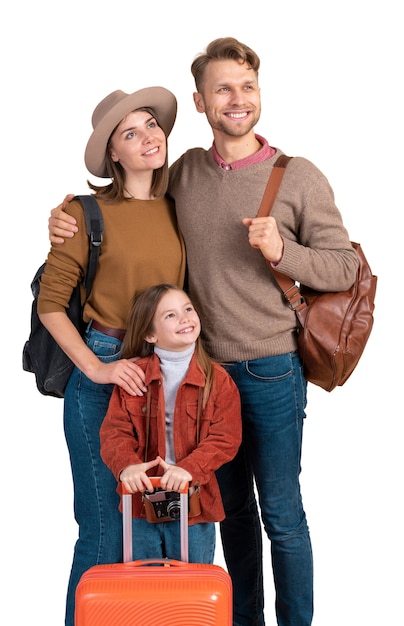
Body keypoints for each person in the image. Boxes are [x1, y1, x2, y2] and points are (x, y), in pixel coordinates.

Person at [48, 37, 359, 626]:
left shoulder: (298, 176)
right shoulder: (184, 172)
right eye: (222, 88)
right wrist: (65, 215)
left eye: (247, 87)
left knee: (283, 515)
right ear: (200, 101)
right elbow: (125, 210)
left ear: (259, 95)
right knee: (226, 513)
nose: (236, 99)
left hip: (269, 368)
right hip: (201, 375)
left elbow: (343, 266)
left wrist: (284, 250)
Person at [38, 87, 186, 626]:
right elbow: (52, 304)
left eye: (152, 124)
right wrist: (97, 368)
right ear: (113, 157)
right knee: (104, 530)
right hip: (104, 372)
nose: (148, 137)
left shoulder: (178, 208)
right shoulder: (84, 213)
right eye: (131, 133)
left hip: (166, 375)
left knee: (162, 527)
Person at [100, 283, 242, 563]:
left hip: (194, 502)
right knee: (146, 585)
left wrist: (189, 469)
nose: (185, 318)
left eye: (187, 309)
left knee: (193, 585)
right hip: (141, 501)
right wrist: (126, 465)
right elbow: (115, 432)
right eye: (170, 315)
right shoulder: (133, 377)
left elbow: (225, 437)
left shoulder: (218, 380)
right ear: (150, 334)